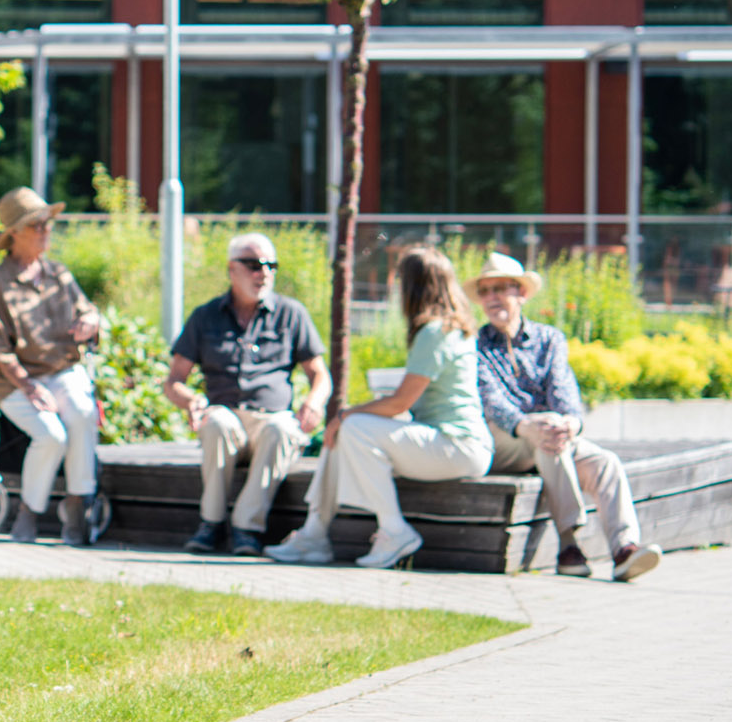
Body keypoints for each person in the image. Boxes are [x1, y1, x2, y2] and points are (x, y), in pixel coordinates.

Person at [266, 246, 493, 569]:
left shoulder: (435, 331)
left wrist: (345, 414)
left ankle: (394, 530)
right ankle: (314, 533)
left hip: (458, 446)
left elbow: (402, 401)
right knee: (344, 432)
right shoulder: (449, 328)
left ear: (413, 286)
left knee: (353, 427)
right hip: (453, 443)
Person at [470, 252, 662, 581]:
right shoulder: (473, 344)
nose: (492, 298)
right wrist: (525, 425)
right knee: (548, 438)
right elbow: (492, 403)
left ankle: (624, 548)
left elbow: (565, 394)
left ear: (522, 293)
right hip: (505, 441)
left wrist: (571, 423)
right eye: (485, 291)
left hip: (549, 437)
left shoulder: (549, 339)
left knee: (605, 462)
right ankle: (568, 543)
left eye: (501, 288)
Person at [162, 233, 332, 556]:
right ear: (231, 269)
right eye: (253, 265)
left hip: (272, 419)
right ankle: (211, 524)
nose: (264, 273)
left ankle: (245, 529)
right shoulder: (205, 316)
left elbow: (320, 374)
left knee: (281, 429)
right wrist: (190, 400)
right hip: (226, 417)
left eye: (270, 265)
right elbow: (173, 380)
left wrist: (314, 401)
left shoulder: (292, 314)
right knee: (216, 423)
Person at [0, 186, 102, 546]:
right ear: (14, 234)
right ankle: (28, 515)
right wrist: (31, 388)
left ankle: (78, 506)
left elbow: (88, 310)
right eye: (37, 225)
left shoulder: (58, 274)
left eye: (48, 223)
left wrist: (91, 322)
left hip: (61, 371)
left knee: (82, 412)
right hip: (15, 381)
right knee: (52, 435)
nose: (46, 231)